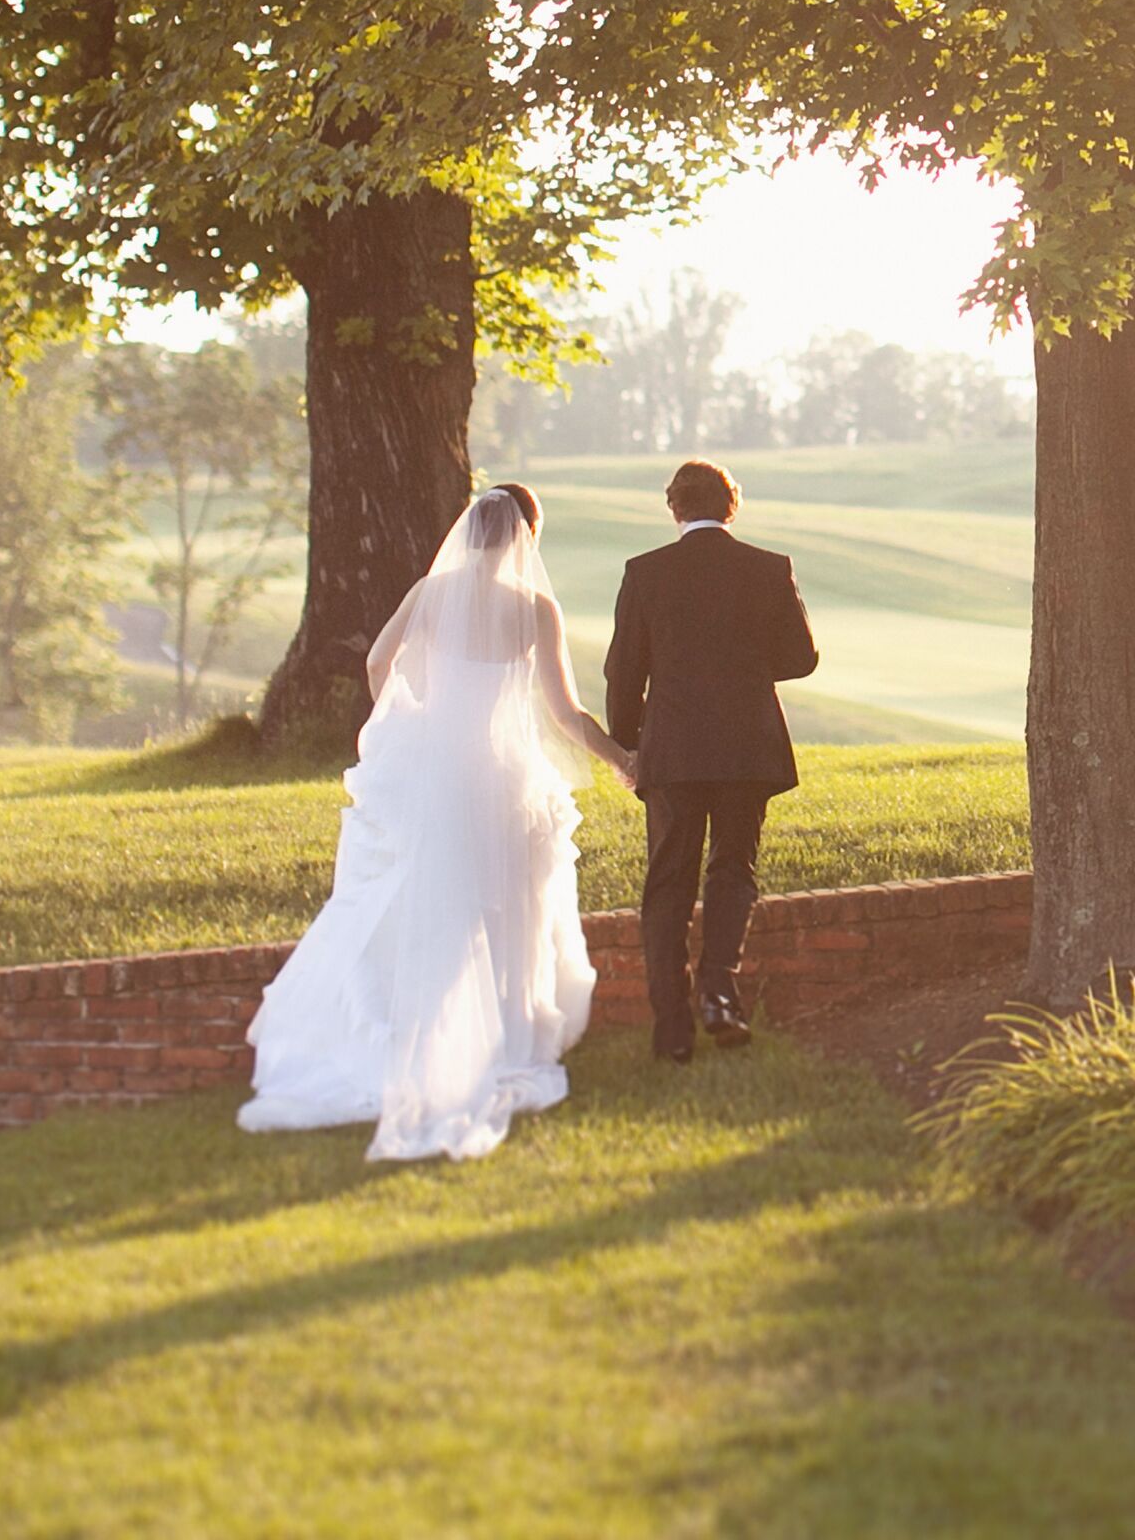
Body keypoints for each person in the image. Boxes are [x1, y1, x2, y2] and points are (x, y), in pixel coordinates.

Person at [237, 484, 628, 1160]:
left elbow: (376, 662)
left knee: (423, 895)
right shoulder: (533, 609)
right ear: (525, 538)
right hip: (501, 773)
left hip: (431, 766)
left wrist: (410, 715)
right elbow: (565, 714)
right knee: (502, 906)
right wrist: (621, 757)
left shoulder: (429, 594)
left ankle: (410, 1031)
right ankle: (497, 1037)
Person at [607, 459, 818, 1058]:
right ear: (732, 507)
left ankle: (671, 1025)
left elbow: (624, 670)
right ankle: (719, 994)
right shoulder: (769, 568)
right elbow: (801, 658)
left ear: (674, 508)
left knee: (668, 880)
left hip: (672, 747)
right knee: (733, 869)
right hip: (747, 743)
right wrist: (743, 669)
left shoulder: (645, 573)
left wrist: (628, 741)